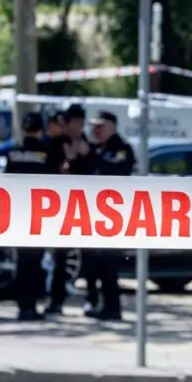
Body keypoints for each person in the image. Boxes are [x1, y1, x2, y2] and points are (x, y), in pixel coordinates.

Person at [82, 110, 137, 320]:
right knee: (93, 263)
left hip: (114, 216)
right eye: (94, 127)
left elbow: (118, 170)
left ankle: (113, 307)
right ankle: (95, 301)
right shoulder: (96, 148)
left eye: (100, 126)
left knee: (108, 263)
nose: (96, 131)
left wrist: (90, 155)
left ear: (112, 127)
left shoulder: (122, 149)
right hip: (94, 213)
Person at [45, 104, 93, 315]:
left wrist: (84, 156)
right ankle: (56, 300)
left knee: (90, 255)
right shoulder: (56, 144)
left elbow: (96, 173)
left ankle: (92, 298)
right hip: (62, 207)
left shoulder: (88, 146)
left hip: (86, 207)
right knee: (60, 257)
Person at [6, 113, 55, 321]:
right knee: (34, 262)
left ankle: (22, 305)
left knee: (22, 262)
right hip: (38, 213)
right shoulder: (46, 151)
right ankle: (31, 306)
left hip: (19, 212)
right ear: (40, 129)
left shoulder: (13, 152)